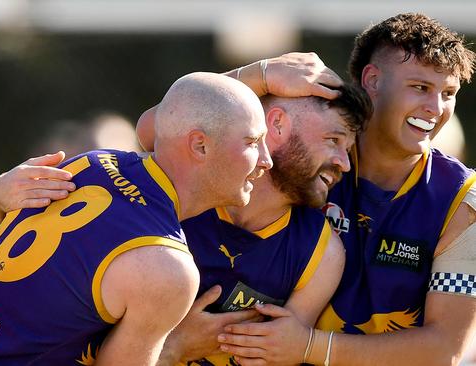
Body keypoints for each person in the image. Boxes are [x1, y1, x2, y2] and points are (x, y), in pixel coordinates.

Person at [0, 72, 273, 365]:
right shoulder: (169, 269)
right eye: (252, 142)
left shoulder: (91, 162)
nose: (267, 160)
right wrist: (177, 346)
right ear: (200, 145)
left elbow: (32, 276)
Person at [217, 13, 476, 366]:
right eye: (420, 87)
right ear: (372, 80)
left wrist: (311, 347)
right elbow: (162, 132)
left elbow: (446, 348)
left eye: (448, 93)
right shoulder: (309, 145)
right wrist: (256, 76)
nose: (435, 109)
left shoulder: (463, 200)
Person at [143, 84, 371, 366]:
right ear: (276, 124)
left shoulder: (322, 253)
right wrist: (176, 346)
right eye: (334, 140)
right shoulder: (176, 190)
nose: (345, 164)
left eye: (348, 150)